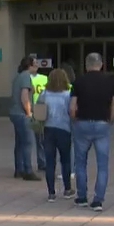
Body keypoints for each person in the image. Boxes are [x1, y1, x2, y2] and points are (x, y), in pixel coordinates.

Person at [70, 53, 114, 212]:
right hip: (102, 124)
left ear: (86, 65)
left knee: (80, 162)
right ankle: (98, 200)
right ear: (101, 64)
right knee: (102, 164)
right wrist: (109, 121)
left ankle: (82, 197)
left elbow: (72, 107)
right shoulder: (110, 82)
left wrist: (75, 119)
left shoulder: (79, 81)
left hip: (82, 123)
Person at [37, 68, 74, 201]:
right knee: (65, 161)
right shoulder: (68, 94)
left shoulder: (44, 94)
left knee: (50, 162)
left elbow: (39, 111)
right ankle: (67, 189)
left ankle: (51, 192)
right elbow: (72, 111)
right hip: (64, 129)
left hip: (48, 129)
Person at [9, 56, 40, 181]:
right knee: (28, 142)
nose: (37, 66)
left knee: (20, 142)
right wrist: (29, 112)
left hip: (15, 113)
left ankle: (19, 169)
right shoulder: (26, 77)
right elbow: (24, 96)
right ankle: (28, 170)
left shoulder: (18, 76)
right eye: (35, 64)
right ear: (30, 65)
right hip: (22, 114)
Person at [31, 69, 49, 175]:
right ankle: (43, 162)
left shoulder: (43, 78)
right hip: (40, 109)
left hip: (38, 109)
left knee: (40, 139)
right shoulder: (44, 78)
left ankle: (42, 161)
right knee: (41, 138)